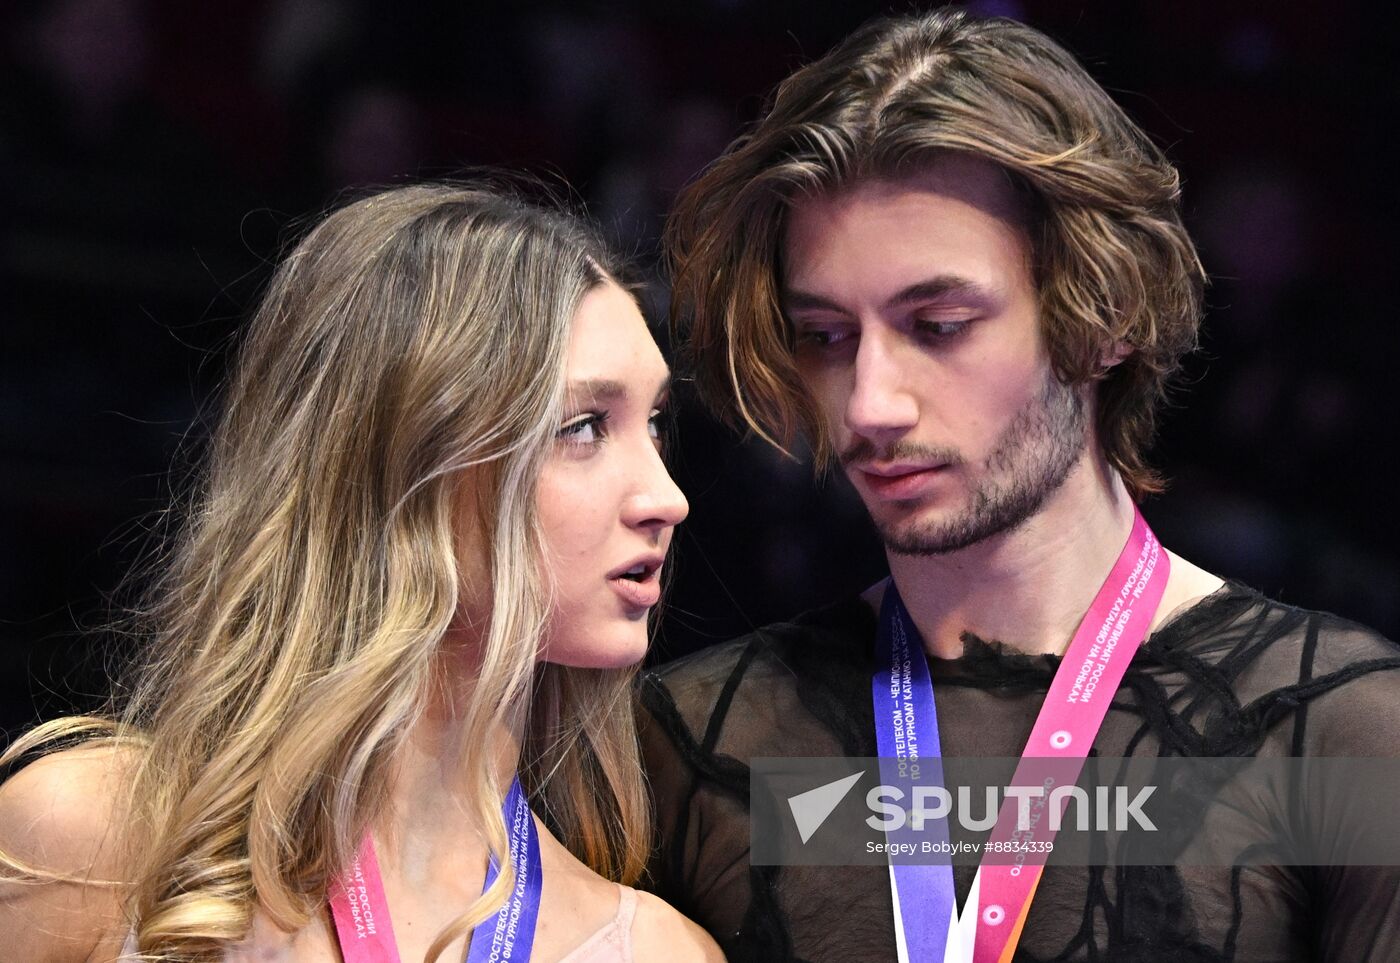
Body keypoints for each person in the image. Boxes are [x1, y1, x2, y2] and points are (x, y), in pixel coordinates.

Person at [641, 9, 1400, 962]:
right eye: (827, 337)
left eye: (941, 323)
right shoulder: (694, 738)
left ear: (1105, 314)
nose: (870, 403)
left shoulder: (1343, 728)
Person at [0, 184, 724, 962]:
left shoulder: (658, 950)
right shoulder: (86, 840)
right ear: (405, 462)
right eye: (583, 426)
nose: (666, 497)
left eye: (653, 423)